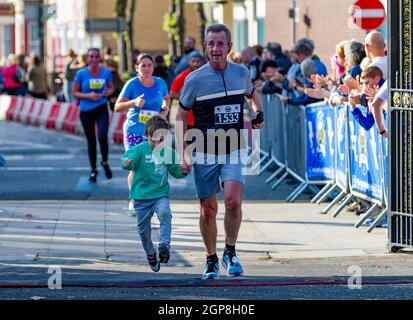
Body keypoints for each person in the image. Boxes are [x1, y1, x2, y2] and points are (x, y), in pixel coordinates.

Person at [176, 23, 264, 280]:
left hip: (234, 147)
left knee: (233, 201)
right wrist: (182, 152)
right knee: (208, 210)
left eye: (220, 43)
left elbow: (252, 96)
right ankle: (211, 258)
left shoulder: (241, 73)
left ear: (229, 47)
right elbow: (181, 114)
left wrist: (258, 112)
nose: (215, 48)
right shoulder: (194, 79)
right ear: (205, 46)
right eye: (211, 44)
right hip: (204, 149)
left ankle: (230, 252)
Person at [120, 116, 189, 272]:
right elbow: (126, 160)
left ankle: (164, 245)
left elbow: (174, 171)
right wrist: (126, 163)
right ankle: (150, 252)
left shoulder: (168, 152)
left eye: (161, 141)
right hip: (141, 197)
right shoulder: (139, 150)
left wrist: (183, 171)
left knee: (165, 213)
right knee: (143, 231)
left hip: (160, 194)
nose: (157, 144)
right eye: (153, 141)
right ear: (146, 136)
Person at [114, 53, 170, 217]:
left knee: (153, 165)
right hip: (134, 131)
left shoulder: (160, 83)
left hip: (154, 131)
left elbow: (165, 98)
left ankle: (151, 199)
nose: (146, 68)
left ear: (153, 67)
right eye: (143, 65)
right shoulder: (132, 84)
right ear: (137, 68)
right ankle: (134, 199)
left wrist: (165, 107)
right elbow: (117, 107)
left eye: (149, 65)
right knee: (136, 165)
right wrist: (133, 102)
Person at [73, 48, 114, 183]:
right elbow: (75, 92)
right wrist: (88, 95)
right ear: (88, 59)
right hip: (86, 111)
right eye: (91, 57)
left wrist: (108, 92)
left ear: (99, 58)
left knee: (102, 136)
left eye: (96, 56)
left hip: (101, 107)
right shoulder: (81, 74)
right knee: (91, 141)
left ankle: (105, 162)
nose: (94, 59)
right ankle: (93, 169)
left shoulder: (106, 73)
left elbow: (111, 87)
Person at [170, 51, 205, 130]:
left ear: (202, 62)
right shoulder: (182, 76)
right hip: (188, 120)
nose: (196, 64)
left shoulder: (206, 75)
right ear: (189, 62)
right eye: (193, 61)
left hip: (204, 118)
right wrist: (188, 99)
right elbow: (172, 93)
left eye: (198, 61)